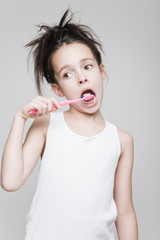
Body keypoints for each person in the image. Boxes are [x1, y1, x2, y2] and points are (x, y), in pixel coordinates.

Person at [1, 9, 138, 240]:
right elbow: (10, 181)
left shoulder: (122, 141)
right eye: (67, 74)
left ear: (101, 71)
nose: (81, 78)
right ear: (57, 90)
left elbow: (124, 213)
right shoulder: (46, 125)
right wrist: (20, 118)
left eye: (87, 67)